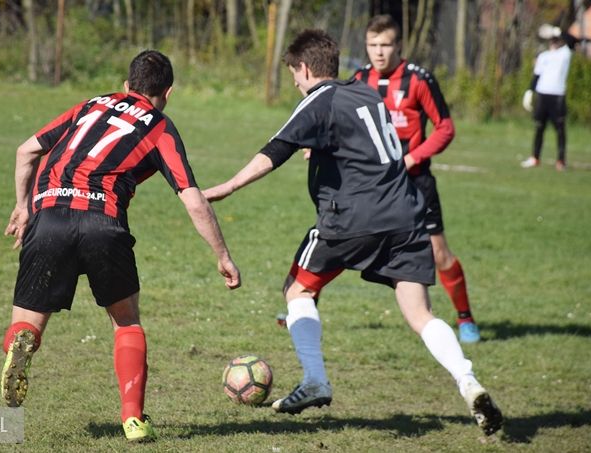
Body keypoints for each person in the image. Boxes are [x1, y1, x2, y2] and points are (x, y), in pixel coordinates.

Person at [203, 29, 503, 436]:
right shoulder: (365, 92)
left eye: (294, 73)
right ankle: (468, 381)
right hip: (406, 213)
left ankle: (315, 380)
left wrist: (228, 186)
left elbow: (276, 148)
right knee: (420, 313)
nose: (294, 82)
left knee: (297, 289)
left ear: (305, 68)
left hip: (350, 218)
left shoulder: (317, 99)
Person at [0, 50, 241, 443]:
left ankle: (21, 342)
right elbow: (194, 200)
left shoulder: (91, 104)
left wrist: (22, 208)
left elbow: (26, 150)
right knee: (125, 320)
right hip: (103, 223)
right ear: (168, 93)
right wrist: (223, 256)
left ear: (127, 85)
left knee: (28, 318)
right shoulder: (160, 126)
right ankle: (132, 419)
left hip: (50, 216)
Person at [354, 14, 480, 343]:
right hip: (373, 182)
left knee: (438, 253)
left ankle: (465, 318)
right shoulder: (358, 79)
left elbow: (446, 128)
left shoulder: (418, 80)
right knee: (341, 238)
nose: (379, 52)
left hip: (415, 182)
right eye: (372, 45)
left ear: (398, 46)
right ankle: (304, 298)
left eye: (385, 45)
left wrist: (412, 158)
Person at [521, 25, 572, 171]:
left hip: (558, 96)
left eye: (556, 39)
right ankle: (535, 157)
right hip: (543, 95)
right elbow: (537, 76)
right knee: (539, 128)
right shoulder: (544, 56)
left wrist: (558, 30)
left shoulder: (565, 54)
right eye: (552, 39)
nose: (554, 42)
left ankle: (561, 161)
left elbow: (573, 40)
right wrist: (530, 91)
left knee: (560, 129)